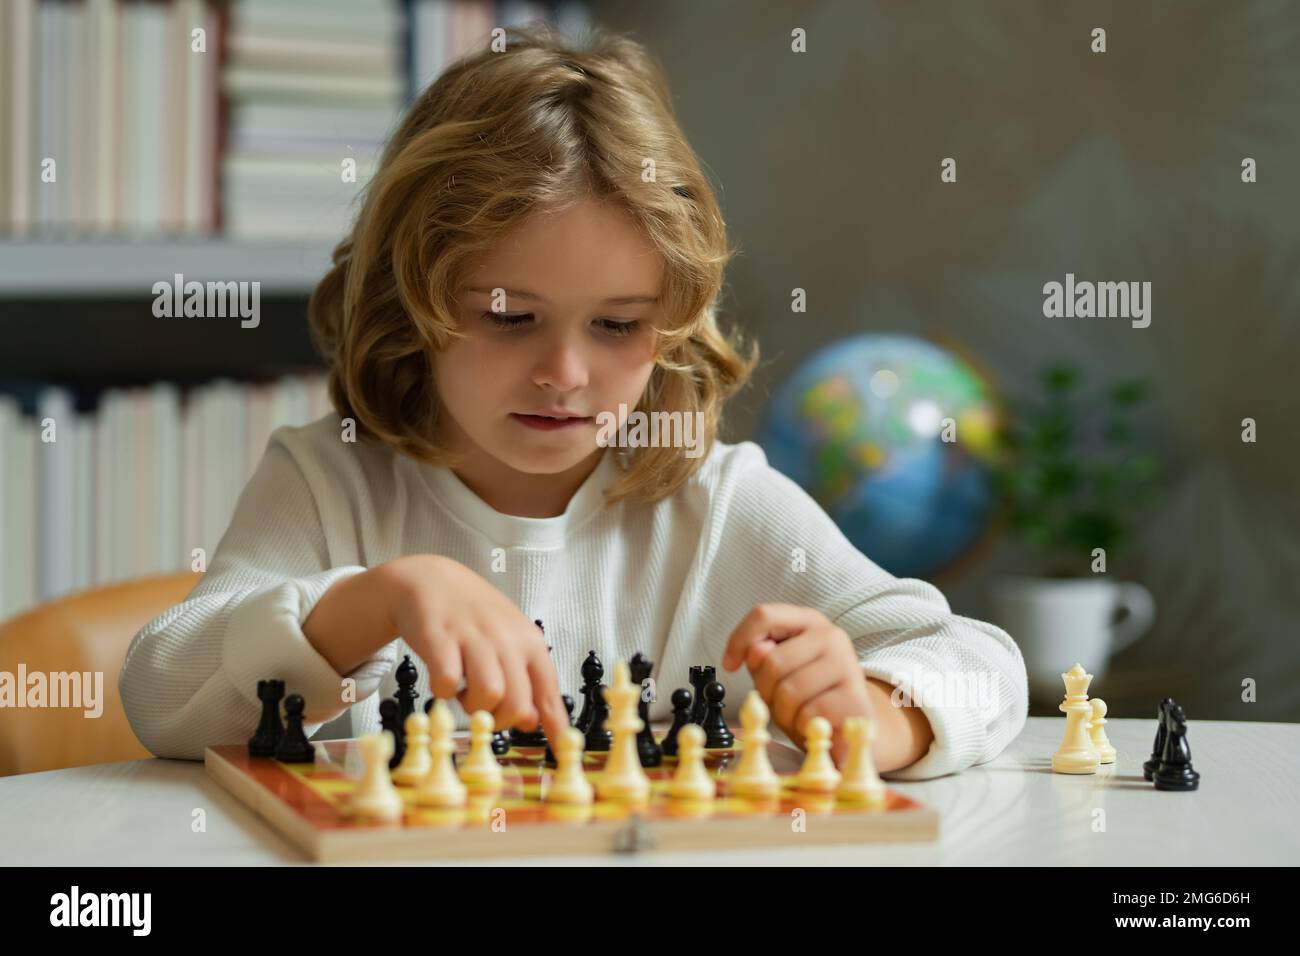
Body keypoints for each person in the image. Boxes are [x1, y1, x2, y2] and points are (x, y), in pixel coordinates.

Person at [120, 25, 1027, 779]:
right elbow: (161, 694)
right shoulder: (328, 481)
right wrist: (371, 602)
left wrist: (878, 710)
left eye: (618, 325)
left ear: (672, 323)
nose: (565, 372)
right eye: (510, 318)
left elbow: (985, 665)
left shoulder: (719, 509)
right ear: (413, 301)